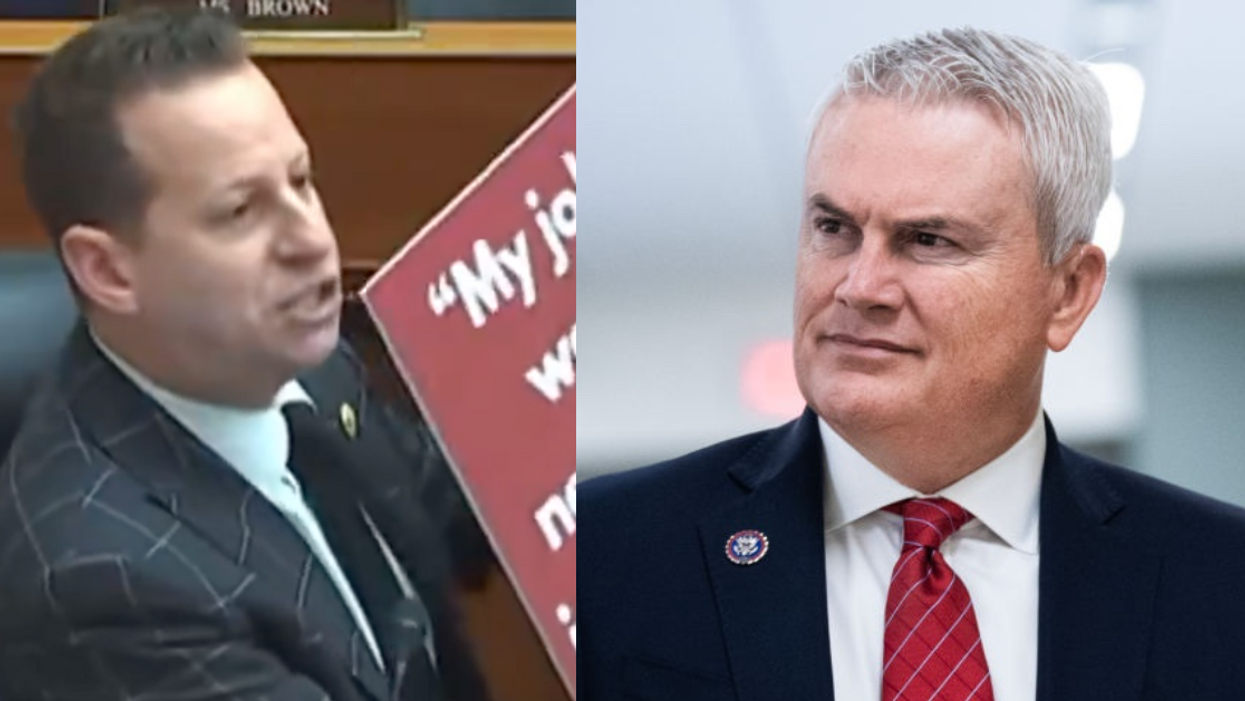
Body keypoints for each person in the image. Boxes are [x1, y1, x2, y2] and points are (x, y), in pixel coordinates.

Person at [580, 27, 1245, 701]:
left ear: (1067, 292)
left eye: (927, 239)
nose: (858, 285)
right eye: (833, 229)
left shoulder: (1221, 581)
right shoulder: (598, 556)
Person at [0, 8, 493, 701]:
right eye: (241, 211)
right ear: (108, 270)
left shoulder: (305, 368)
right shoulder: (103, 586)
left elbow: (475, 502)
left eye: (301, 181)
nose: (311, 241)